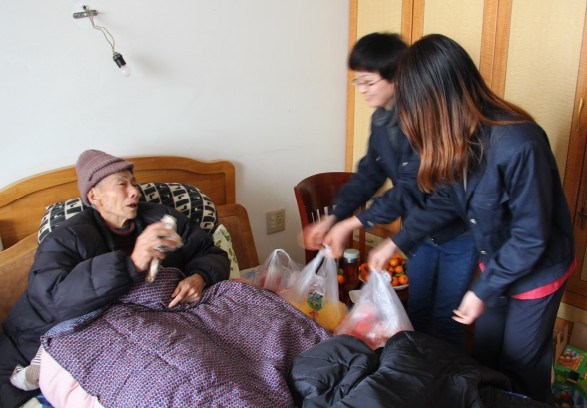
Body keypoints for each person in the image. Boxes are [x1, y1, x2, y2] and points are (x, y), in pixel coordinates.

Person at [368, 34, 575, 403]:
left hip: (537, 269)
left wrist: (481, 291)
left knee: (521, 364)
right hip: (495, 263)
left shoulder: (519, 143)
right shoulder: (459, 136)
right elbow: (447, 200)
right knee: (484, 355)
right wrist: (397, 241)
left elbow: (530, 237)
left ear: (440, 98)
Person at [0, 149, 230, 407]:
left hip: (153, 320)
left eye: (134, 183)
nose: (134, 192)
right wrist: (131, 263)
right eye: (122, 184)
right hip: (59, 330)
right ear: (94, 196)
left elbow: (211, 253)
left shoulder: (160, 217)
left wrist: (200, 276)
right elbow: (53, 299)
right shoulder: (67, 237)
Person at [303, 32, 478, 349]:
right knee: (418, 309)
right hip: (418, 234)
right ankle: (416, 369)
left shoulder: (424, 120)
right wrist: (335, 217)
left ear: (397, 78)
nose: (362, 89)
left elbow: (410, 189)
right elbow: (368, 175)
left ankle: (450, 373)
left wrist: (353, 223)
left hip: (457, 234)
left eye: (368, 81)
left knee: (447, 317)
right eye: (358, 81)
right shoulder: (381, 120)